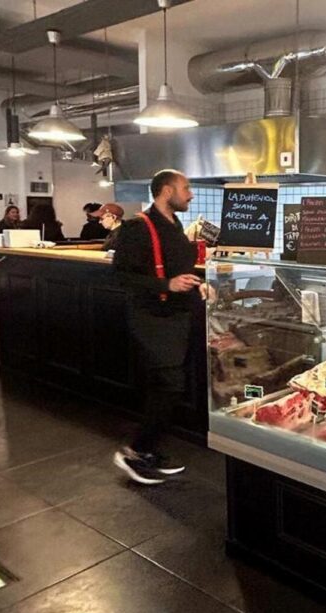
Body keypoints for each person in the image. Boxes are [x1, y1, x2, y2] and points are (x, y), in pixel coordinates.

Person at [112, 169, 205, 484]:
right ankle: (135, 451)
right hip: (153, 319)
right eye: (186, 188)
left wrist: (199, 285)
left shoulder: (175, 224)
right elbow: (122, 276)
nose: (190, 194)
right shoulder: (138, 227)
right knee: (170, 385)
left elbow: (179, 270)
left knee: (164, 386)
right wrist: (167, 284)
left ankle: (147, 451)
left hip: (177, 318)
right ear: (166, 191)